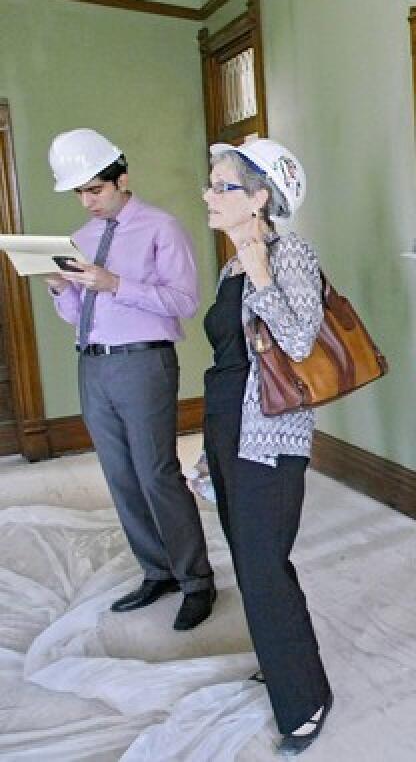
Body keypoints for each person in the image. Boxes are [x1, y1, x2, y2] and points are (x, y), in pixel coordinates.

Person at [45, 128, 215, 631]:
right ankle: (156, 571)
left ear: (122, 179)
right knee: (119, 477)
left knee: (157, 473)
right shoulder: (83, 238)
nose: (88, 201)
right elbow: (78, 314)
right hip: (92, 364)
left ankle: (197, 581)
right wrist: (61, 289)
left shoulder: (162, 228)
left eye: (95, 189)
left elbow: (184, 302)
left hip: (143, 363)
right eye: (80, 192)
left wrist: (115, 283)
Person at [197, 138, 332, 756]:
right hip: (228, 427)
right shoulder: (228, 266)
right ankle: (283, 660)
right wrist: (208, 449)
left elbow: (301, 342)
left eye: (222, 185)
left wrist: (262, 274)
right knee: (250, 561)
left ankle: (305, 699)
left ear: (259, 199)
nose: (208, 194)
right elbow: (230, 358)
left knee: (263, 563)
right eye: (212, 183)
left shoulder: (290, 253)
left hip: (272, 436)